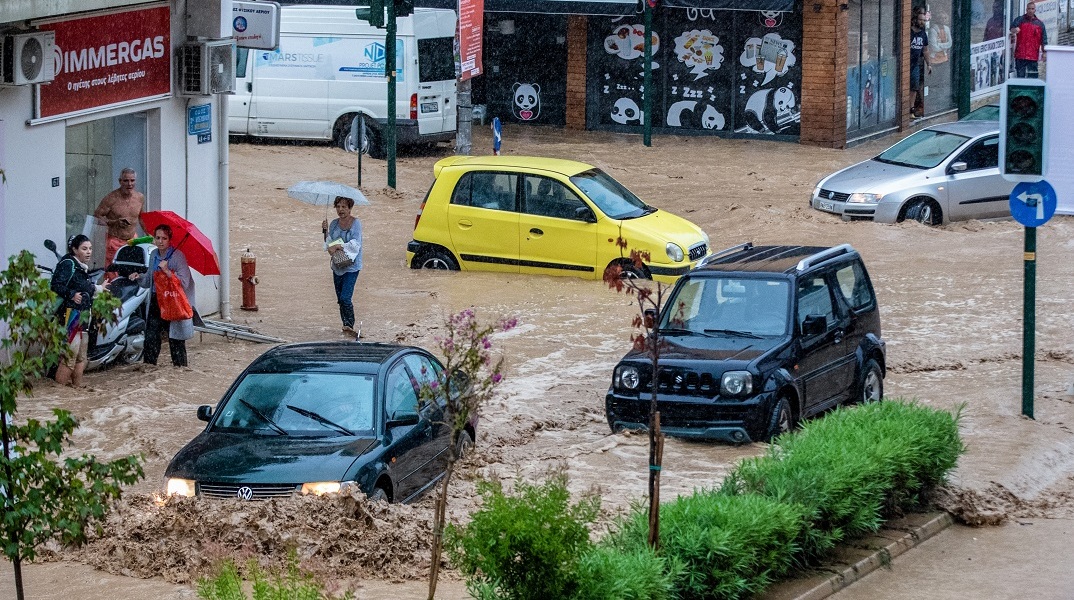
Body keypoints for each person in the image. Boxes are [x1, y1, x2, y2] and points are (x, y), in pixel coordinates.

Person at [131, 225, 194, 367]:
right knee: (151, 337)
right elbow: (149, 280)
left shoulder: (178, 257)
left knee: (175, 339)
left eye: (164, 238)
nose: (160, 241)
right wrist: (138, 277)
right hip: (156, 300)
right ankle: (149, 366)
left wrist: (167, 272)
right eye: (157, 238)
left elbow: (185, 282)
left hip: (173, 302)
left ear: (170, 240)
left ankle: (180, 368)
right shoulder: (153, 255)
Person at [50, 234, 104, 387]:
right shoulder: (68, 264)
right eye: (84, 249)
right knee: (70, 356)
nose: (88, 252)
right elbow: (56, 285)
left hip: (84, 314)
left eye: (90, 248)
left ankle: (77, 390)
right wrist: (71, 294)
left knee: (81, 356)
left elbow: (84, 286)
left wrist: (98, 289)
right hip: (71, 314)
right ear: (74, 249)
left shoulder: (81, 267)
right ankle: (58, 394)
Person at [321, 196, 363, 336]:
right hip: (337, 267)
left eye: (344, 207)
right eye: (338, 206)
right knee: (340, 299)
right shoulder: (333, 224)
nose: (340, 210)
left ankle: (350, 324)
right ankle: (345, 325)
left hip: (352, 267)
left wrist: (340, 245)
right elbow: (328, 244)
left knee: (346, 297)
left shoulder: (356, 224)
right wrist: (325, 232)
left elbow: (356, 244)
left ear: (350, 208)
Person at [93, 168, 145, 275]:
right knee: (113, 276)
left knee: (133, 273)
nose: (129, 184)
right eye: (126, 181)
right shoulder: (111, 198)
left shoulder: (140, 197)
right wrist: (114, 222)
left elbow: (142, 218)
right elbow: (97, 216)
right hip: (114, 241)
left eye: (132, 180)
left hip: (132, 241)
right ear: (120, 181)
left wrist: (151, 235)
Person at [1010, 1, 1047, 78]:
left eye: (1032, 9)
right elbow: (1011, 28)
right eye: (1029, 9)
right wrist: (1015, 30)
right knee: (1020, 77)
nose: (1030, 10)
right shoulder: (1020, 20)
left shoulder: (1039, 24)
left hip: (1033, 55)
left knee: (1033, 77)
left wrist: (1044, 52)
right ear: (1026, 10)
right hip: (1020, 54)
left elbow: (1044, 39)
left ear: (1035, 10)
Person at [910, 7, 931, 119]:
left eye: (924, 20)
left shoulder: (923, 34)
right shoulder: (909, 32)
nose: (922, 22)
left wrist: (929, 64)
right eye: (920, 20)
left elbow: (925, 50)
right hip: (906, 64)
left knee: (914, 87)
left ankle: (911, 109)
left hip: (915, 65)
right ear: (915, 20)